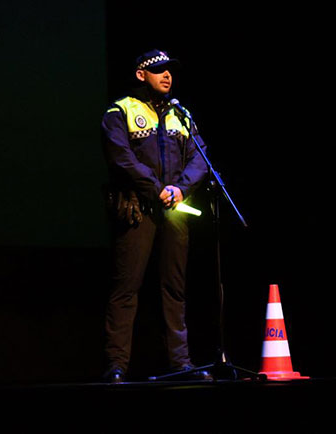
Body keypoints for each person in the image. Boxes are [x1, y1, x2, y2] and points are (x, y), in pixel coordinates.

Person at [100, 49, 210, 383]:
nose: (167, 75)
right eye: (158, 69)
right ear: (140, 75)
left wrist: (180, 188)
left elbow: (200, 158)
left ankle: (181, 364)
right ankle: (117, 365)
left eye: (170, 70)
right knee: (126, 289)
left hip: (174, 211)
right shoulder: (121, 111)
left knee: (174, 289)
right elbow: (121, 157)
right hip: (139, 210)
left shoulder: (181, 115)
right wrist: (155, 187)